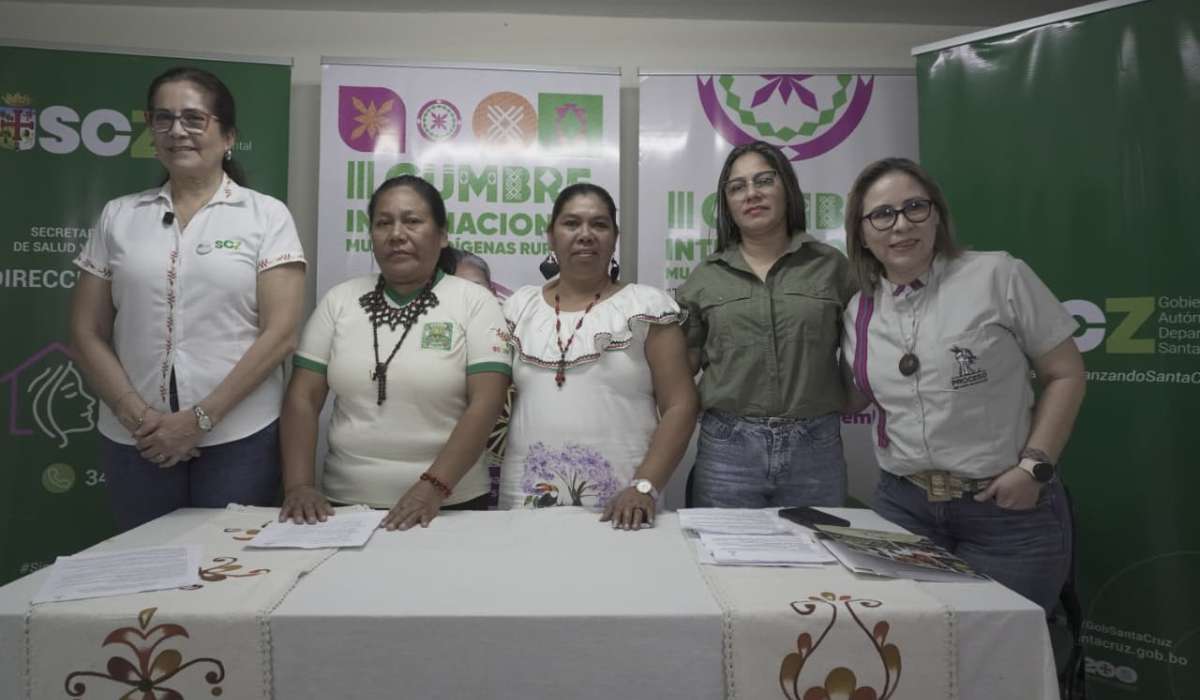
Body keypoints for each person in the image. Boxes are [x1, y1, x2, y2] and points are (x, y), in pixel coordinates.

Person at [841, 157, 1085, 612]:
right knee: (910, 651)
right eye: (882, 215)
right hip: (903, 507)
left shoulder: (998, 275)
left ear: (936, 214)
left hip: (1007, 512)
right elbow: (855, 395)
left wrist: (1034, 468)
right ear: (863, 232)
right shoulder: (859, 308)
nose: (900, 226)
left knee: (1000, 661)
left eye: (914, 207)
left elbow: (1065, 373)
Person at [70, 66, 306, 531]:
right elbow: (85, 331)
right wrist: (140, 418)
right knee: (143, 570)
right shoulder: (119, 216)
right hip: (137, 438)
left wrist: (199, 419)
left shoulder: (266, 216)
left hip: (239, 434)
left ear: (228, 135)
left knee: (228, 574)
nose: (177, 131)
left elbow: (280, 335)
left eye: (194, 119)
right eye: (164, 119)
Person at [278, 175, 511, 530]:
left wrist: (432, 488)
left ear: (443, 234)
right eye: (383, 223)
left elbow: (487, 403)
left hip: (451, 506)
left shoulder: (474, 301)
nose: (397, 234)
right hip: (343, 506)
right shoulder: (339, 300)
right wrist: (298, 485)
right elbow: (303, 397)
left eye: (413, 221)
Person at [499, 183, 698, 529]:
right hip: (525, 498)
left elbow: (681, 406)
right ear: (550, 236)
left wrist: (644, 486)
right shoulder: (519, 307)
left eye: (599, 225)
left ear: (615, 237)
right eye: (572, 223)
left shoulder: (646, 307)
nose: (585, 234)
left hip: (625, 505)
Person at [675, 141, 855, 509]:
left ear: (786, 188)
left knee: (819, 559)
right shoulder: (705, 279)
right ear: (726, 203)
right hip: (729, 449)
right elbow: (681, 365)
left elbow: (865, 351)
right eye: (737, 187)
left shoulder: (833, 267)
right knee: (723, 561)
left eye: (764, 181)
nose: (751, 194)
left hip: (816, 448)